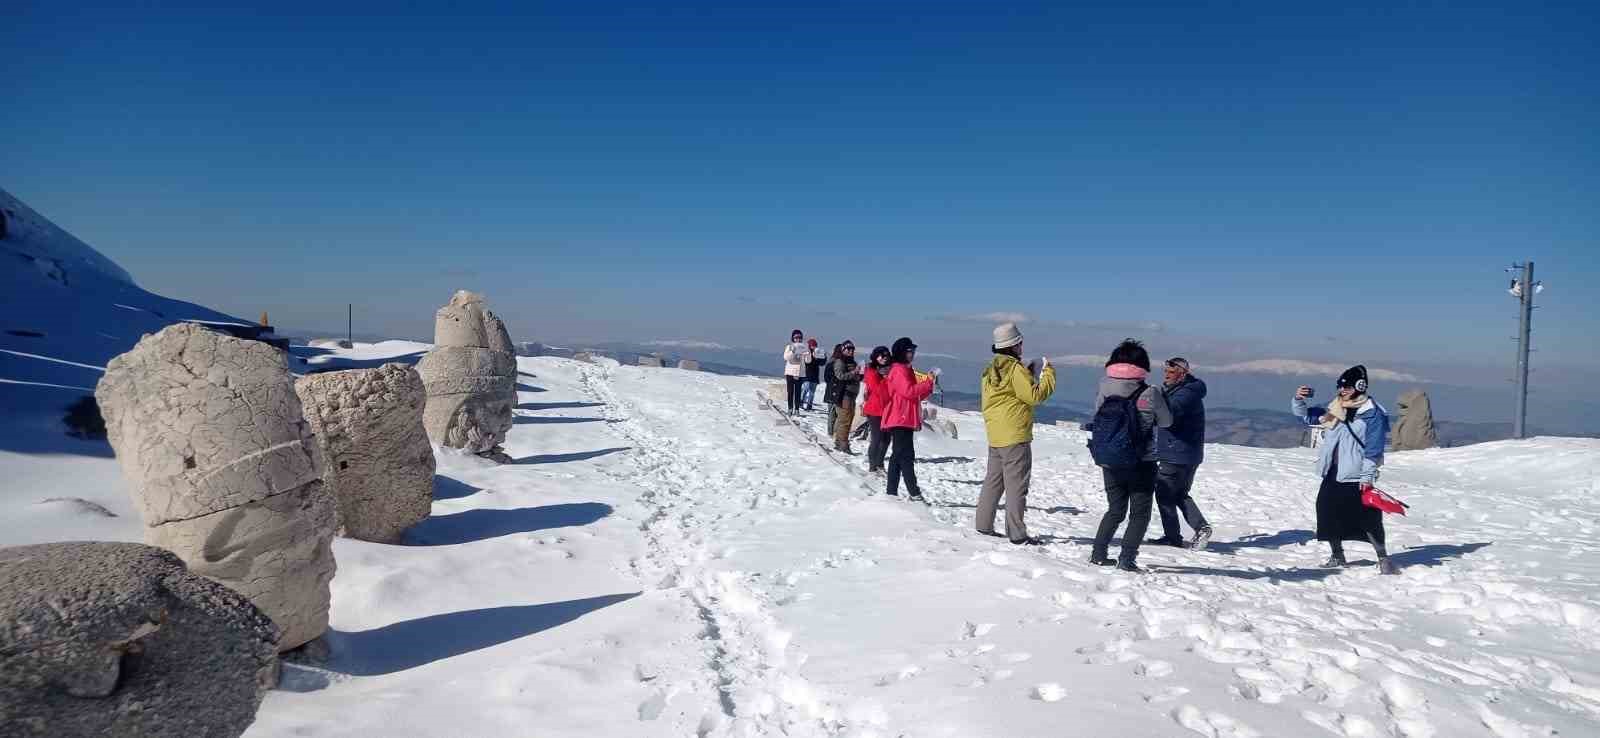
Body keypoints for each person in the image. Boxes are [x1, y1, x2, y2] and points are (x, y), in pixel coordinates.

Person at [1291, 365, 1396, 574]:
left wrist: (1367, 474)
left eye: (1346, 387)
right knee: (1327, 512)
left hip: (1356, 474)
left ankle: (1383, 558)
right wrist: (1299, 400)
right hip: (1333, 470)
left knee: (1367, 517)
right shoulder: (1336, 408)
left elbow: (1374, 448)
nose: (1342, 391)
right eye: (1340, 387)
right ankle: (1337, 554)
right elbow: (1309, 417)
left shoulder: (1372, 413)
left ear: (1360, 386)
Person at [1087, 339, 1172, 572]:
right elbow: (1167, 421)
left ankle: (1098, 553)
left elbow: (1097, 416)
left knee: (1115, 509)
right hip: (1141, 462)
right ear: (1142, 366)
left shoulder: (1104, 387)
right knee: (1139, 513)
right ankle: (1127, 559)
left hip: (1109, 459)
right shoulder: (1149, 393)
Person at [976, 323, 1056, 545]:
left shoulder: (989, 370)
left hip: (995, 435)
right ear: (1013, 346)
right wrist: (1048, 373)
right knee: (1016, 487)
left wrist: (1026, 373)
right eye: (1020, 343)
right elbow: (1035, 396)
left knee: (993, 482)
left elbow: (1005, 395)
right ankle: (1017, 534)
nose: (1022, 347)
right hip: (1015, 435)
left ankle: (983, 526)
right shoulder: (1015, 369)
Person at [1151, 357, 1213, 550]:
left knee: (1164, 493)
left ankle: (1175, 536)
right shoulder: (1189, 391)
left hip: (1176, 451)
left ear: (1182, 373)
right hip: (1187, 453)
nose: (1166, 376)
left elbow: (1169, 415)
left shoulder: (1184, 394)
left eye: (1171, 373)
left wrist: (1150, 407)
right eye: (1165, 372)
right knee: (1178, 493)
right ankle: (1197, 528)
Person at [882, 337, 936, 500]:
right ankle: (913, 492)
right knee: (905, 456)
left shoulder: (905, 369)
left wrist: (929, 384)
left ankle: (892, 492)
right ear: (902, 353)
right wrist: (927, 384)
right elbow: (908, 391)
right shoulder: (899, 370)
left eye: (913, 351)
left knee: (899, 456)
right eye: (909, 351)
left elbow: (916, 394)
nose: (912, 354)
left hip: (905, 417)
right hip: (900, 417)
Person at [860, 346, 893, 473]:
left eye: (886, 356)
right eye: (881, 356)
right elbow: (878, 390)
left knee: (886, 438)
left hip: (887, 409)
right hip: (874, 409)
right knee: (877, 438)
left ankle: (880, 463)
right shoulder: (872, 371)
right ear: (875, 357)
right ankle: (872, 465)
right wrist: (887, 378)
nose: (884, 358)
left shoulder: (888, 370)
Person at [829, 341, 863, 453]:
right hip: (844, 395)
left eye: (852, 349)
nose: (851, 351)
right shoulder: (840, 361)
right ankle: (843, 444)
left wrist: (860, 374)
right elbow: (840, 376)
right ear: (843, 350)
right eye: (848, 349)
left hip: (851, 394)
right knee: (845, 419)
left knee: (847, 418)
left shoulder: (851, 362)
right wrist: (854, 372)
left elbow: (853, 377)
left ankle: (839, 441)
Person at [781, 330, 807, 415]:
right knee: (790, 391)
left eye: (799, 337)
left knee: (798, 391)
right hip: (790, 372)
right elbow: (786, 358)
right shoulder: (789, 346)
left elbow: (808, 361)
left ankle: (797, 409)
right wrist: (793, 351)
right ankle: (790, 408)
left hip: (800, 372)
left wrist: (808, 353)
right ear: (793, 338)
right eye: (796, 337)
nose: (798, 339)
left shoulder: (803, 347)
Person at [801, 338, 822, 411]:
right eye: (812, 346)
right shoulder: (806, 353)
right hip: (807, 375)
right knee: (805, 389)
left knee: (812, 391)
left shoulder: (818, 354)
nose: (814, 347)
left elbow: (822, 363)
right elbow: (806, 362)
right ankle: (800, 402)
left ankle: (809, 405)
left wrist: (822, 357)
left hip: (815, 375)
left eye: (815, 346)